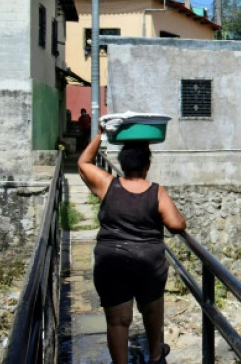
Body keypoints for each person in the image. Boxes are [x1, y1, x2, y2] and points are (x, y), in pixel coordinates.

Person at [77, 128, 186, 364]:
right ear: (147, 166)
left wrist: (98, 134)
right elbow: (177, 224)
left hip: (110, 261)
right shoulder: (157, 191)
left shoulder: (107, 184)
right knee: (152, 309)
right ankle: (156, 356)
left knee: (118, 320)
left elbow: (83, 161)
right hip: (148, 262)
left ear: (123, 165)